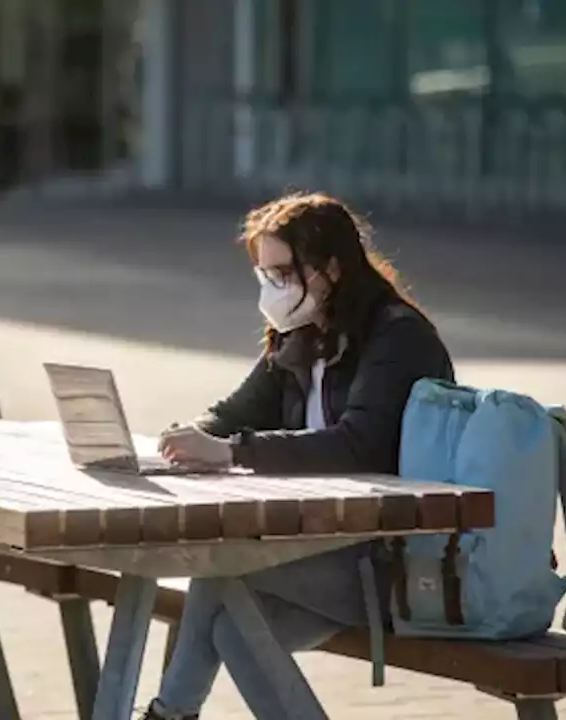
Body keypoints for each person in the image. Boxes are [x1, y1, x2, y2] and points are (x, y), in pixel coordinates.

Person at [142, 192, 455, 719]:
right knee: (230, 624)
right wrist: (191, 436)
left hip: (394, 565)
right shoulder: (300, 335)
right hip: (325, 552)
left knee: (221, 567)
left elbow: (359, 445)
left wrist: (230, 452)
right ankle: (170, 715)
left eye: (283, 273)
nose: (272, 289)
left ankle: (167, 715)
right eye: (264, 275)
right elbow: (237, 411)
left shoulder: (396, 336)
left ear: (331, 268)